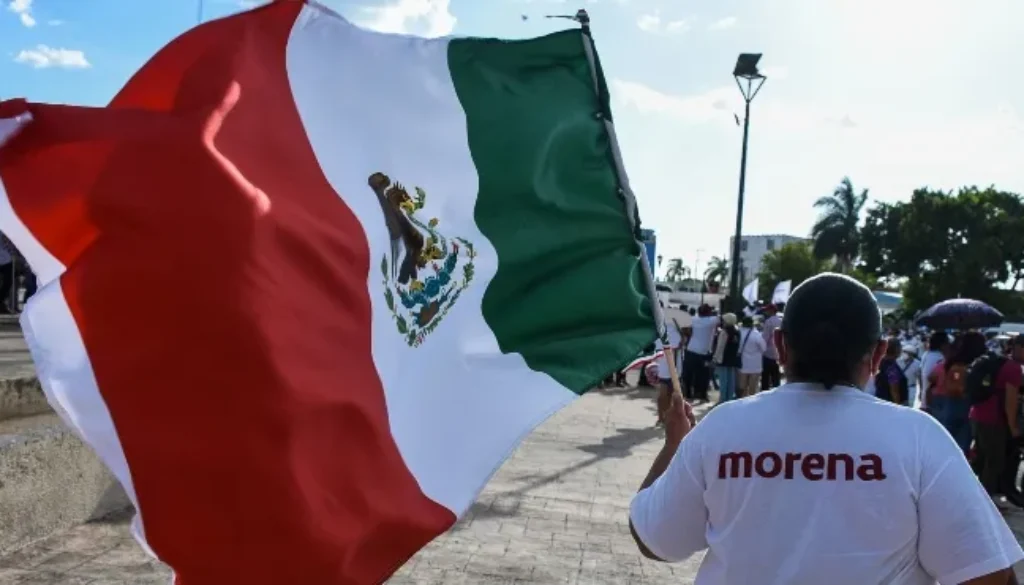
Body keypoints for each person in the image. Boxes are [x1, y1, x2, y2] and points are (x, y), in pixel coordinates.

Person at [628, 273, 1023, 585]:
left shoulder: (723, 428)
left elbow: (654, 540)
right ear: (879, 353)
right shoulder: (919, 439)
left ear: (780, 346)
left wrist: (675, 445)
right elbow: (987, 572)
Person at [969, 335, 1024, 510]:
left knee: (983, 459)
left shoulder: (1001, 362)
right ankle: (983, 504)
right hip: (993, 420)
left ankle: (974, 495)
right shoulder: (1014, 369)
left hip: (978, 415)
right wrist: (1013, 426)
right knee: (995, 462)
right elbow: (1010, 401)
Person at [931, 332, 987, 456]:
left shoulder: (957, 363)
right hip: (959, 406)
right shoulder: (959, 366)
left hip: (955, 406)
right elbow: (954, 387)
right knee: (957, 444)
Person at [682, 305, 719, 403]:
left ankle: (688, 394)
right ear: (709, 312)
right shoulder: (712, 320)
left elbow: (685, 330)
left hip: (691, 350)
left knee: (689, 374)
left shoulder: (693, 319)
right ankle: (702, 395)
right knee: (704, 375)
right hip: (705, 353)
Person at [712, 313, 740, 404]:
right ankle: (730, 398)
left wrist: (715, 358)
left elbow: (720, 346)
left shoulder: (724, 332)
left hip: (723, 359)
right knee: (731, 380)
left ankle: (723, 399)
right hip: (733, 359)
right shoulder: (737, 331)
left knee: (723, 380)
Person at [736, 316, 766, 398]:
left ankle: (742, 403)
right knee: (753, 388)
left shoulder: (739, 333)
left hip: (742, 363)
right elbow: (764, 348)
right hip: (755, 365)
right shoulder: (756, 334)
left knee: (742, 387)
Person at [920, 331, 949, 413]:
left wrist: (922, 391)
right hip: (935, 400)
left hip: (925, 399)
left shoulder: (926, 354)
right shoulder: (941, 357)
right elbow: (932, 378)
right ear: (943, 344)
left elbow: (920, 374)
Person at [874, 338, 908, 404]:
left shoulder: (880, 362)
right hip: (891, 404)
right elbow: (894, 390)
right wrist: (898, 407)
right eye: (900, 347)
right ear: (896, 349)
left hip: (881, 401)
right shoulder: (891, 367)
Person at [760, 303, 783, 390]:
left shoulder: (768, 322)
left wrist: (761, 350)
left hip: (768, 353)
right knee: (776, 376)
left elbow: (764, 338)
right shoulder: (781, 321)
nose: (766, 312)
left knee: (765, 376)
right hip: (779, 352)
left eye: (767, 310)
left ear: (771, 311)